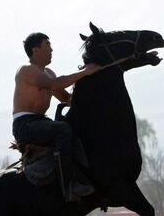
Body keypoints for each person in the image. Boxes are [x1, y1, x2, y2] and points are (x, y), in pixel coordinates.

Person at [12, 32, 101, 200]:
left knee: (73, 126)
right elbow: (53, 85)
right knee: (62, 129)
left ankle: (82, 176)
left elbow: (66, 98)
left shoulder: (49, 73)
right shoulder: (26, 70)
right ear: (35, 49)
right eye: (47, 45)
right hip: (25, 125)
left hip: (41, 122)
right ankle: (68, 185)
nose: (52, 49)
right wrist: (86, 73)